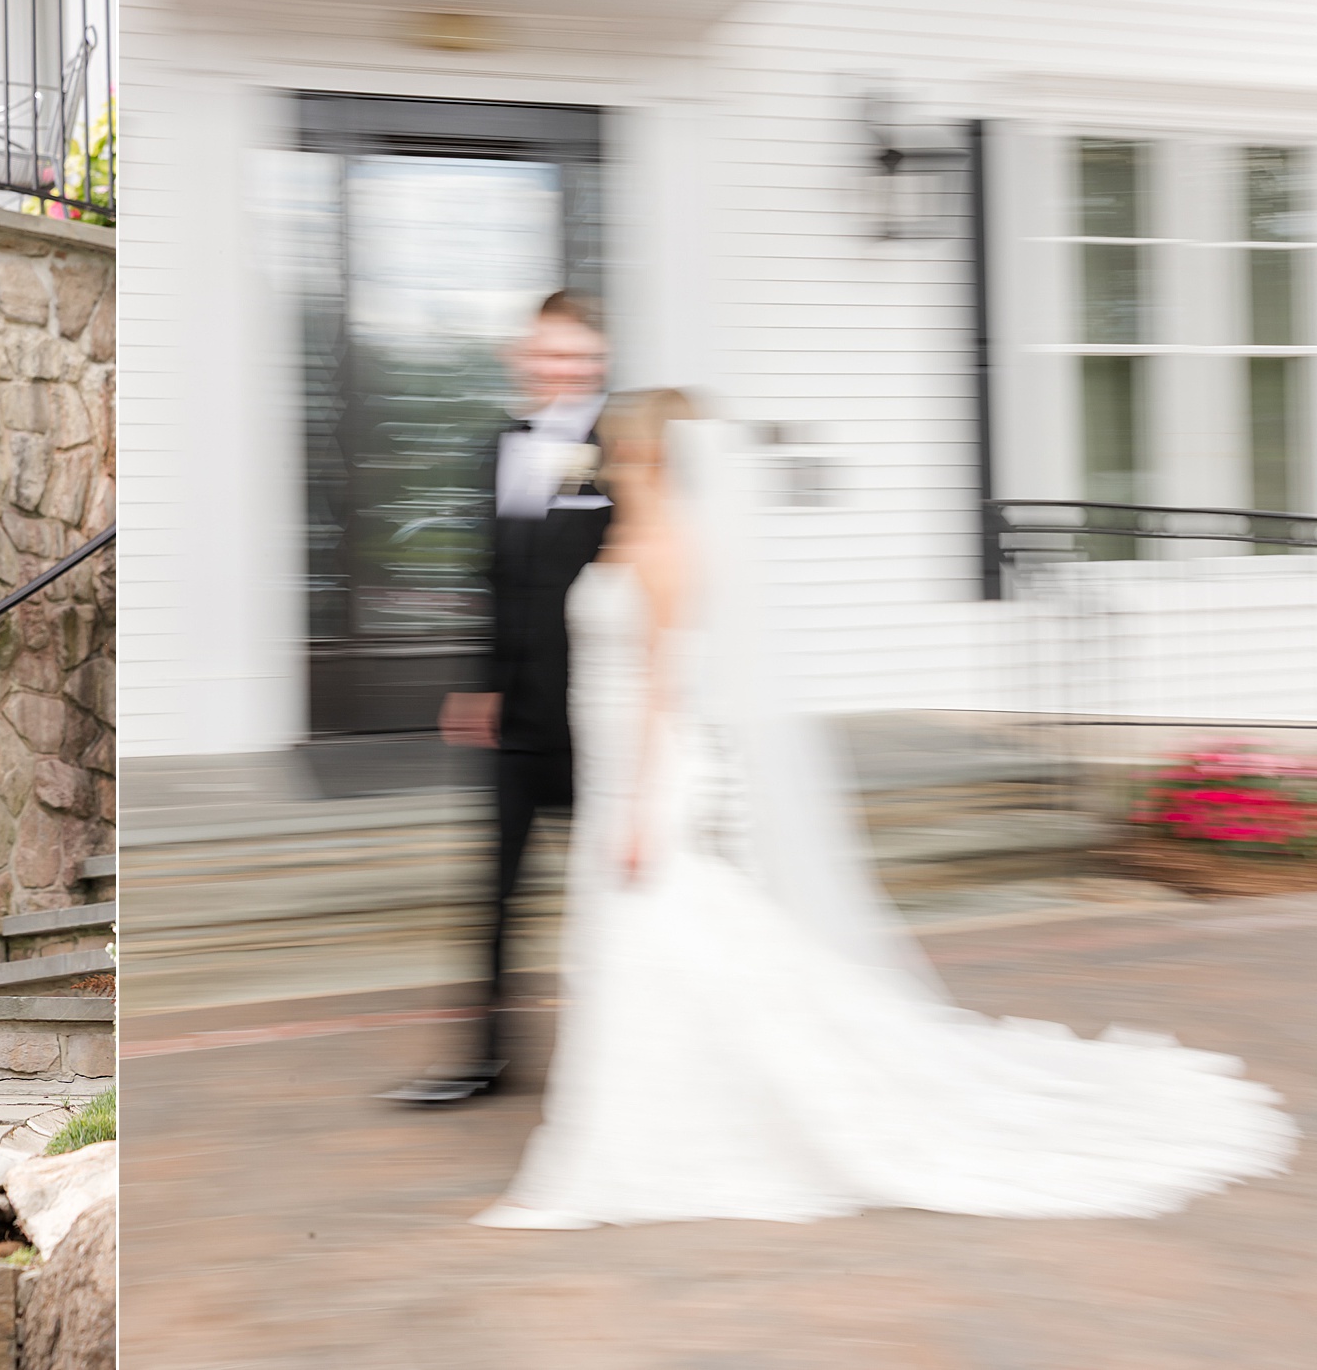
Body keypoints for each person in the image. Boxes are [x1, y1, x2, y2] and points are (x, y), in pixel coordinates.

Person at [472, 395, 1295, 1228]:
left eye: (617, 448)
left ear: (647, 457)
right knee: (649, 942)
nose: (605, 461)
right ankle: (650, 1115)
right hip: (610, 762)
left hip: (645, 771)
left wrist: (645, 808)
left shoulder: (668, 550)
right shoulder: (618, 539)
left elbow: (662, 691)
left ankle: (646, 1133)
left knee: (661, 933)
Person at [386, 289, 611, 1106]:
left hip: (594, 718)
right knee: (497, 893)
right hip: (515, 716)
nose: (556, 368)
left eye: (572, 355)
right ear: (525, 357)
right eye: (543, 352)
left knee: (612, 897)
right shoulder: (499, 446)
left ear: (596, 360)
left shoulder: (625, 450)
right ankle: (483, 1058)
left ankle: (628, 1049)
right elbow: (492, 579)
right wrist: (479, 684)